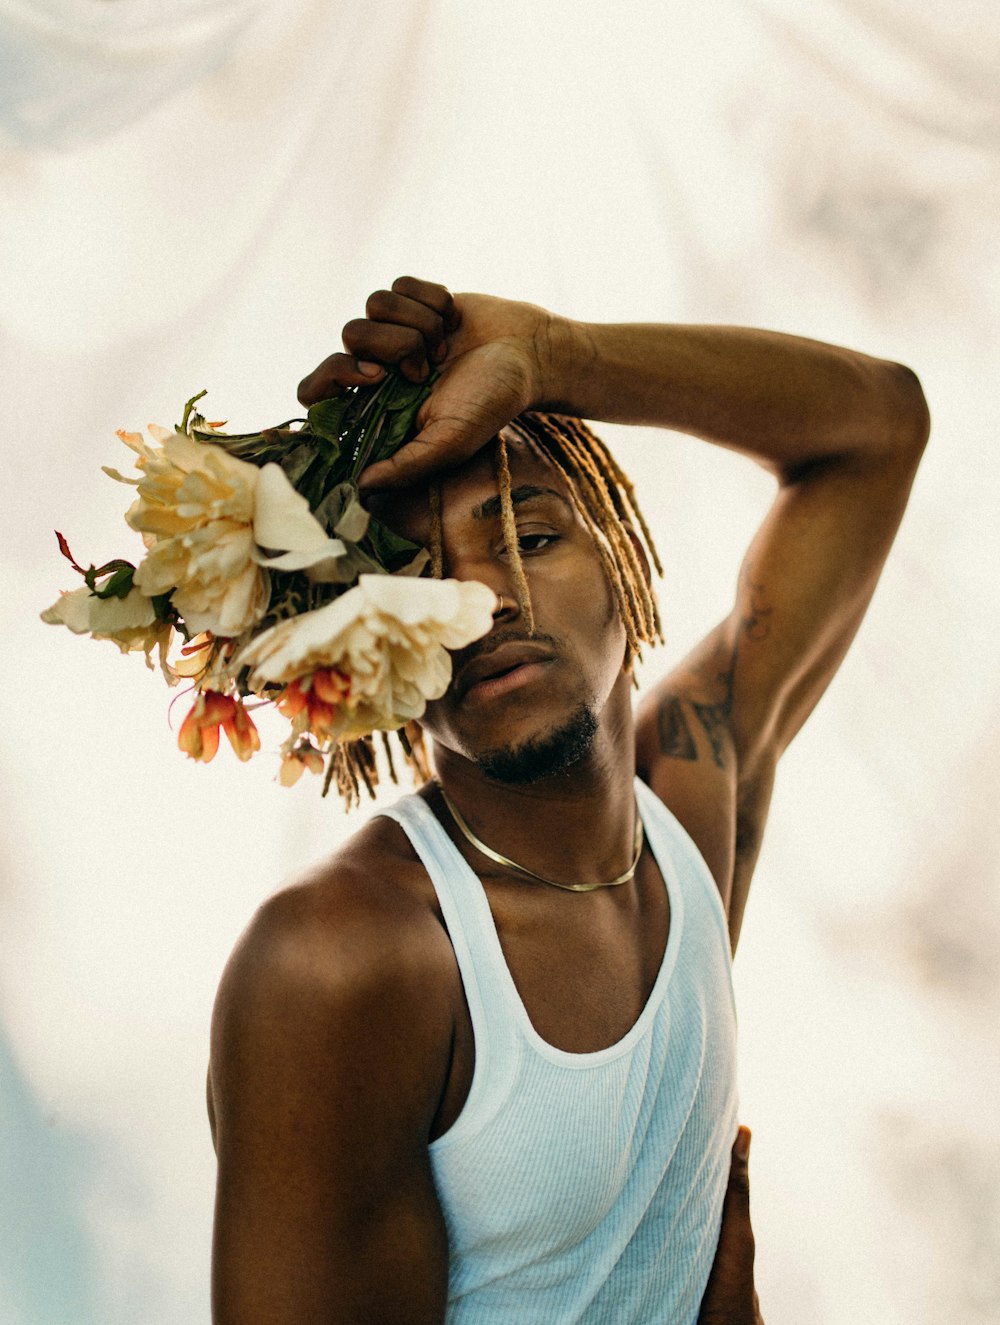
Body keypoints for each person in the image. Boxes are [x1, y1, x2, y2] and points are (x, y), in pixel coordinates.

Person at [207, 277, 929, 1323]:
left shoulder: (689, 799)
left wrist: (558, 355)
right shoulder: (349, 956)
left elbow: (878, 430)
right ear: (364, 646)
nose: (485, 598)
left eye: (530, 535)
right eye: (417, 576)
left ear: (623, 560)